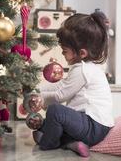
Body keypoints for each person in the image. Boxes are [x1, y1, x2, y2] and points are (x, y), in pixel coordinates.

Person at [32, 12, 114, 157]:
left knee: (55, 111)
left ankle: (49, 143)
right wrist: (37, 89)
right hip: (96, 126)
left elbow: (61, 94)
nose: (62, 54)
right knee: (51, 121)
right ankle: (73, 144)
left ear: (81, 53)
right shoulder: (87, 68)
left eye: (65, 51)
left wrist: (40, 99)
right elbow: (61, 85)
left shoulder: (82, 69)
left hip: (93, 126)